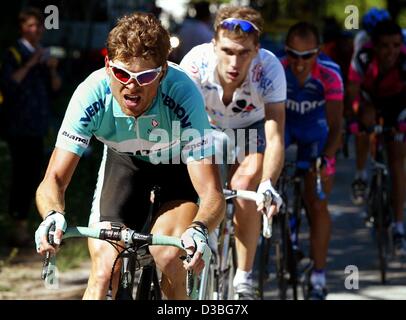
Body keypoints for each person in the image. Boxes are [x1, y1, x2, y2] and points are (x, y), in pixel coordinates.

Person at [34, 12, 226, 300]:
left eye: (145, 76)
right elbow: (55, 179)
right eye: (122, 74)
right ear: (108, 66)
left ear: (162, 73)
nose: (132, 86)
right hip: (123, 164)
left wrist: (199, 228)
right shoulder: (91, 93)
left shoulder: (183, 91)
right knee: (103, 273)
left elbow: (212, 193)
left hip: (176, 167)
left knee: (168, 255)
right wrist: (52, 214)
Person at [180, 6, 286, 299]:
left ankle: (244, 276)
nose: (234, 61)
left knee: (243, 187)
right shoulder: (195, 62)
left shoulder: (270, 69)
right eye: (227, 50)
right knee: (202, 185)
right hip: (207, 125)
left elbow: (275, 135)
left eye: (244, 52)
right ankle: (204, 239)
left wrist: (268, 182)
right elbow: (181, 127)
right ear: (213, 45)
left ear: (257, 51)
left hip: (250, 128)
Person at [280, 22, 344, 300]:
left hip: (317, 134)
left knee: (317, 203)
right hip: (286, 129)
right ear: (286, 53)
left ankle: (318, 277)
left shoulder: (330, 75)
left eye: (307, 56)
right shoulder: (277, 69)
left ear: (318, 53)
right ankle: (285, 235)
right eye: (294, 55)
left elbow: (336, 127)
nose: (299, 63)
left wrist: (326, 159)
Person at [0, 7, 61, 247]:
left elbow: (55, 90)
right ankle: (18, 228)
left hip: (38, 126)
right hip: (17, 127)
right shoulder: (13, 54)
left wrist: (52, 69)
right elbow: (9, 85)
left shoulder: (43, 56)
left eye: (38, 26)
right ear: (22, 28)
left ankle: (39, 228)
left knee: (39, 176)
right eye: (30, 26)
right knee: (21, 177)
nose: (35, 31)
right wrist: (32, 62)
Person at [347, 20, 406, 256]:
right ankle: (361, 175)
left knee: (397, 160)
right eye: (384, 46)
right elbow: (352, 90)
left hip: (398, 102)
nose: (390, 52)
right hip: (369, 97)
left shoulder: (403, 59)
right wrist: (354, 118)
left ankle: (399, 227)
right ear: (374, 46)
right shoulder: (362, 57)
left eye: (395, 45)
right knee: (364, 125)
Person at [347, 8, 391, 205]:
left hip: (392, 92)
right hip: (367, 89)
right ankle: (360, 173)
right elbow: (355, 83)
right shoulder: (362, 42)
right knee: (363, 127)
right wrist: (354, 114)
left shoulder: (397, 41)